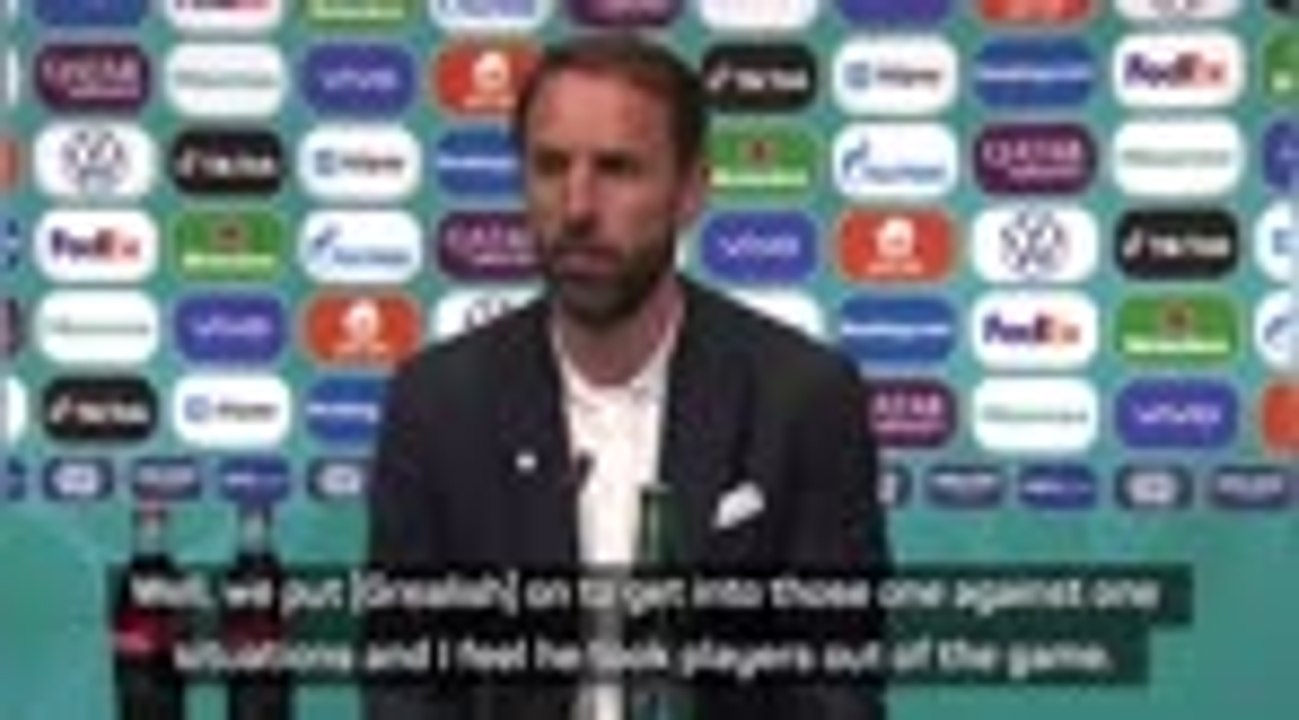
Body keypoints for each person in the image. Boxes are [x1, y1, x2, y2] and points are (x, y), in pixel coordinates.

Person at [366, 33, 890, 720]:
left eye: (617, 169)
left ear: (691, 191)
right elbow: (404, 688)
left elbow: (836, 691)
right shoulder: (438, 405)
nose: (577, 206)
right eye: (550, 166)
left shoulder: (802, 398)